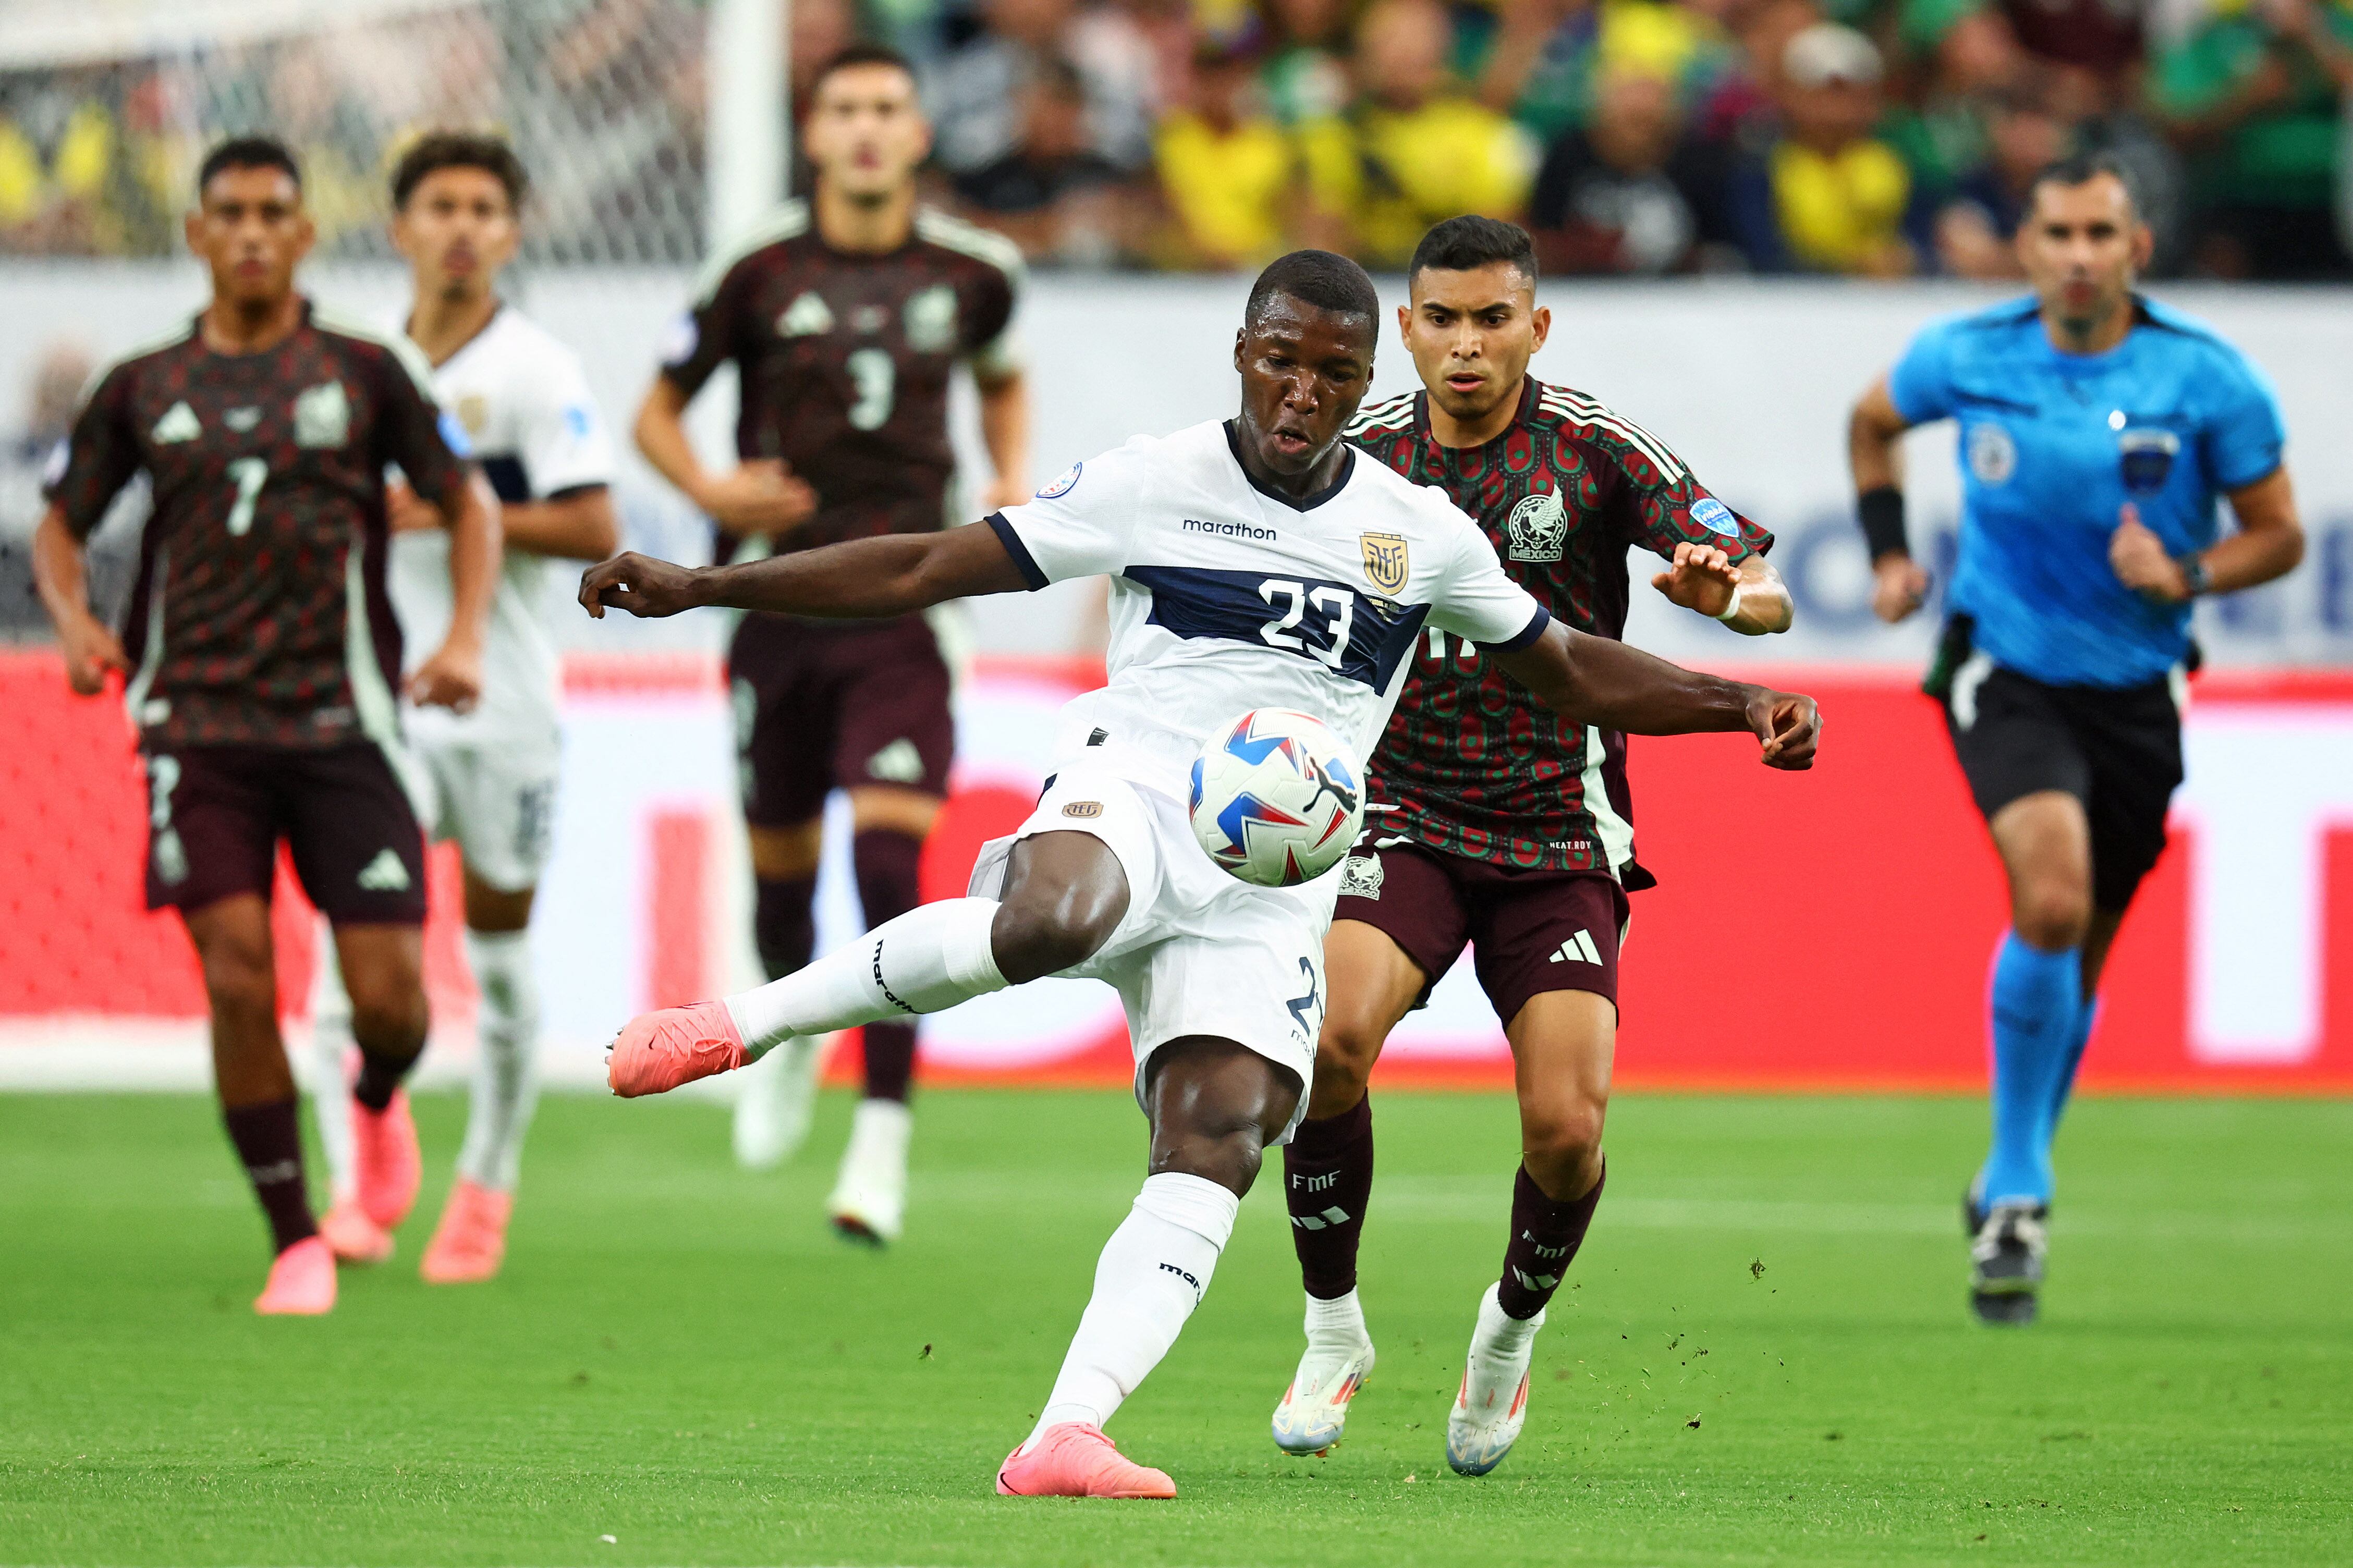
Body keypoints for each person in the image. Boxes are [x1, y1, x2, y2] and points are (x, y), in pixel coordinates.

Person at [580, 247, 1822, 1498]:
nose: (1300, 392)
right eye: (1279, 360)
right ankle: (740, 1025)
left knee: (1223, 1130)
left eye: (1333, 374)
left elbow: (1566, 668)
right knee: (1059, 917)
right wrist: (704, 583)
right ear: (1241, 351)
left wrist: (1736, 701)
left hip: (1278, 873)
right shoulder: (1152, 479)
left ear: (1361, 381)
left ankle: (1063, 1434)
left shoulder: (1416, 530)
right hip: (1139, 785)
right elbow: (923, 567)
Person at [1270, 216, 1794, 1476]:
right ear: (1405, 329)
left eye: (1491, 319)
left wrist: (1729, 600)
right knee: (1330, 1042)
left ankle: (1505, 1339)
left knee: (1567, 1129)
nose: (1464, 345)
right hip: (1398, 809)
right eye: (1441, 320)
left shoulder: (1596, 450)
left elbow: (1759, 586)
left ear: (1535, 327)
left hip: (1560, 826)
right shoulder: (1359, 456)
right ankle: (1332, 1327)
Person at [30, 136, 498, 1315]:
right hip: (198, 730)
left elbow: (465, 503)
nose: (248, 231)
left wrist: (462, 641)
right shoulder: (144, 385)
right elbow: (60, 525)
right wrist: (76, 622)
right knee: (238, 977)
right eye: (227, 212)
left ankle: (378, 1100)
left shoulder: (364, 370)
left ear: (302, 235)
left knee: (390, 1000)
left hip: (347, 728)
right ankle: (294, 1235)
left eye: (272, 213)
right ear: (197, 233)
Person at [1847, 152, 2304, 1326]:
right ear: (2028, 244)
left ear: (2136, 247)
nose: (2079, 255)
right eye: (2057, 232)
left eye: (2101, 232)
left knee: (2084, 954)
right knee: (2049, 903)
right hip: (2004, 670)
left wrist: (2191, 571)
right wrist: (1892, 550)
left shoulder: (2206, 379)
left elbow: (2280, 535)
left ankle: (2009, 1170)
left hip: (2140, 690)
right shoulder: (1972, 353)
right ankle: (2019, 1192)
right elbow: (1870, 422)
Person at [633, 43, 1030, 1242]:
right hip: (775, 606)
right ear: (814, 134)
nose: (866, 129)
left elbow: (1002, 380)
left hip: (907, 602)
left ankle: (883, 1139)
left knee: (891, 868)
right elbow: (658, 407)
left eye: (888, 110)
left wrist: (1009, 481)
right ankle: (793, 1046)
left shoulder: (976, 270)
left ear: (918, 135)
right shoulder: (754, 266)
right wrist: (710, 482)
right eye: (845, 109)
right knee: (782, 879)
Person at [305, 132, 619, 1281]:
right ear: (398, 227)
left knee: (493, 960)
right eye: (440, 206)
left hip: (507, 701)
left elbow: (592, 525)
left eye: (486, 208)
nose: (462, 228)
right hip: (375, 707)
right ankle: (354, 1190)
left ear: (513, 232)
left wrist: (455, 508)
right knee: (346, 960)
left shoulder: (535, 369)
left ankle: (484, 1183)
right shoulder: (352, 363)